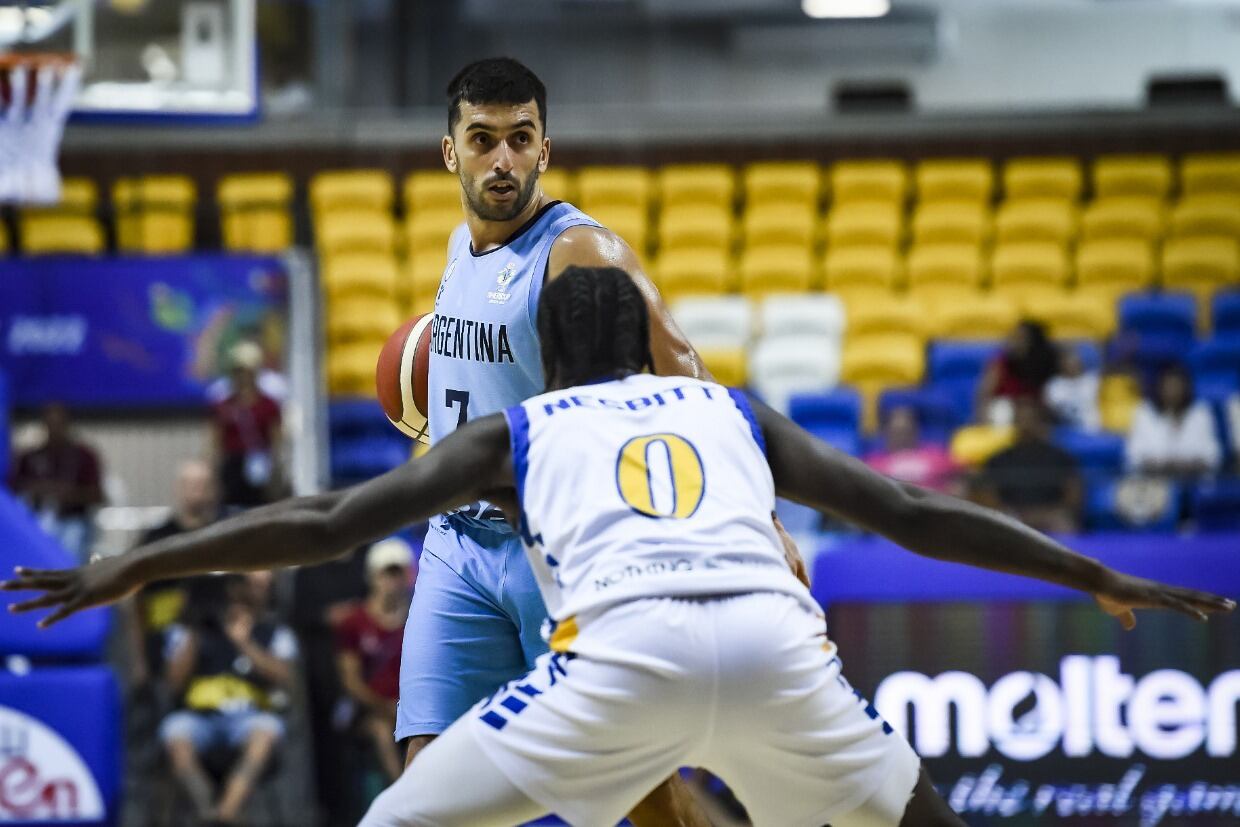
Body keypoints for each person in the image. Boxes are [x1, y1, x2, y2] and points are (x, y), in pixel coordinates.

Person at [7, 267, 1233, 827]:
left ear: (546, 353)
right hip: (774, 647)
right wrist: (1095, 571)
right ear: (647, 348)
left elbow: (326, 523)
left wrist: (135, 563)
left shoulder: (522, 423)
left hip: (620, 657)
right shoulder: (731, 406)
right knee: (915, 815)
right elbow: (911, 514)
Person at [376, 55, 792, 823]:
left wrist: (760, 515)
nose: (501, 159)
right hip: (457, 546)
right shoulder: (457, 249)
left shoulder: (579, 251)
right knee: (425, 782)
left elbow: (689, 376)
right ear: (449, 151)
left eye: (519, 139)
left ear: (544, 148)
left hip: (557, 550)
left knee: (636, 789)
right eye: (482, 139)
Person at [155, 572, 298, 825]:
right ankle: (207, 807)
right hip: (198, 718)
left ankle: (226, 814)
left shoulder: (274, 631)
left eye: (258, 587)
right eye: (242, 585)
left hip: (249, 717)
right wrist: (196, 631)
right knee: (175, 731)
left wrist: (244, 642)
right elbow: (173, 684)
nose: (246, 594)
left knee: (266, 731)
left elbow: (285, 679)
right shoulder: (192, 631)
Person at [124, 458, 221, 689]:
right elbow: (136, 601)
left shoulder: (225, 537)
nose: (197, 490)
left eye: (204, 484)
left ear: (215, 489)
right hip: (165, 641)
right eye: (191, 484)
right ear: (178, 488)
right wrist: (139, 660)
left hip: (218, 641)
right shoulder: (155, 539)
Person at [335, 538, 416, 785]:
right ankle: (402, 794)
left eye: (397, 575)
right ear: (372, 576)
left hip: (413, 708)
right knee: (381, 732)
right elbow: (350, 681)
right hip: (370, 710)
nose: (391, 583)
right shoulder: (353, 622)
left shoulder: (420, 618)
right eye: (385, 575)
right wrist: (385, 707)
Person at [7, 402, 104, 561]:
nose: (55, 429)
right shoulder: (30, 457)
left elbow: (97, 496)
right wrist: (36, 489)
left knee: (70, 542)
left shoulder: (84, 456)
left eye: (59, 424)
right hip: (38, 519)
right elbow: (13, 490)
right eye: (50, 424)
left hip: (73, 521)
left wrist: (67, 494)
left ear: (67, 424)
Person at [977, 398, 1083, 534]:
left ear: (1041, 423)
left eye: (1031, 420)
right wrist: (1013, 513)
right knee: (1000, 521)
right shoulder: (998, 459)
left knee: (1063, 522)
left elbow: (1073, 491)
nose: (1026, 425)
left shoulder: (1060, 457)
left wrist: (1048, 512)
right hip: (1013, 515)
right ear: (1015, 423)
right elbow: (989, 496)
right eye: (1021, 420)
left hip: (1050, 514)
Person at [211, 342, 283, 508]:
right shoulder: (223, 405)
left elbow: (276, 442)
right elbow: (214, 442)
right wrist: (213, 473)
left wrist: (276, 471)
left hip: (260, 465)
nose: (241, 377)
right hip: (232, 467)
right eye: (237, 371)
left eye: (245, 371)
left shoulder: (269, 405)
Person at [1125, 364, 1222, 478]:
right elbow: (1133, 457)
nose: (1173, 392)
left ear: (1186, 388)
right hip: (1153, 480)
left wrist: (1186, 465)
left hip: (1194, 480)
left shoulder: (1200, 413)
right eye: (1169, 386)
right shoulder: (1144, 412)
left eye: (1177, 386)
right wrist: (1162, 465)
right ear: (1159, 388)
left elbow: (1213, 456)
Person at [863, 405, 962, 494]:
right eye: (897, 432)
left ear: (916, 431)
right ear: (886, 433)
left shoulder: (936, 456)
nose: (903, 437)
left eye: (907, 431)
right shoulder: (874, 465)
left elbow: (959, 477)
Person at [976, 320, 1059, 425]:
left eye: (1021, 339)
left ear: (1033, 342)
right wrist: (983, 420)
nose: (1015, 343)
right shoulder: (1001, 362)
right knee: (1003, 410)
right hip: (1008, 409)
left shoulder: (1047, 362)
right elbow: (985, 394)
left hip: (1036, 410)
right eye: (1014, 337)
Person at [1044, 344, 1100, 432]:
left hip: (1092, 430)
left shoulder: (1093, 381)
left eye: (1074, 360)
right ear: (1061, 363)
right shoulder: (1054, 385)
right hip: (1064, 430)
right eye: (1067, 361)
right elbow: (1051, 410)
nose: (1071, 364)